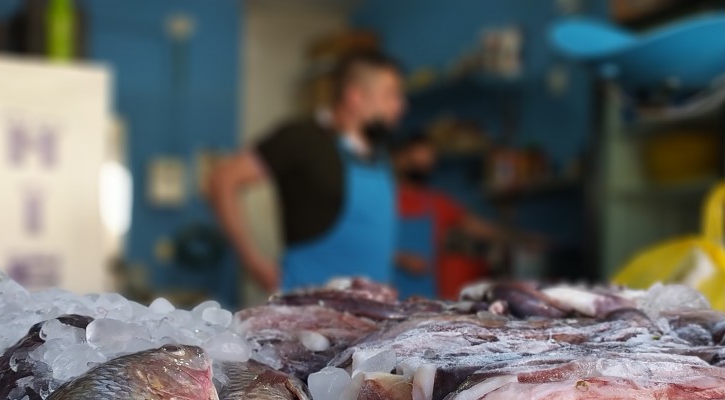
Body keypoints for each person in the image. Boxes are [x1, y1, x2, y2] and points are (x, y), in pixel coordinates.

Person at [209, 51, 405, 293]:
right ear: (356, 97)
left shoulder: (379, 154)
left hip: (375, 310)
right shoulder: (301, 139)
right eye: (391, 95)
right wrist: (253, 261)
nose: (400, 106)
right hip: (310, 310)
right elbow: (223, 180)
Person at [393, 133, 537, 299]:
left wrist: (521, 238)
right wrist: (399, 258)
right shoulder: (384, 198)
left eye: (429, 158)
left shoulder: (437, 202)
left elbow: (478, 227)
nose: (424, 163)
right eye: (417, 157)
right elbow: (360, 241)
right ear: (400, 158)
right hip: (385, 292)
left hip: (425, 295)